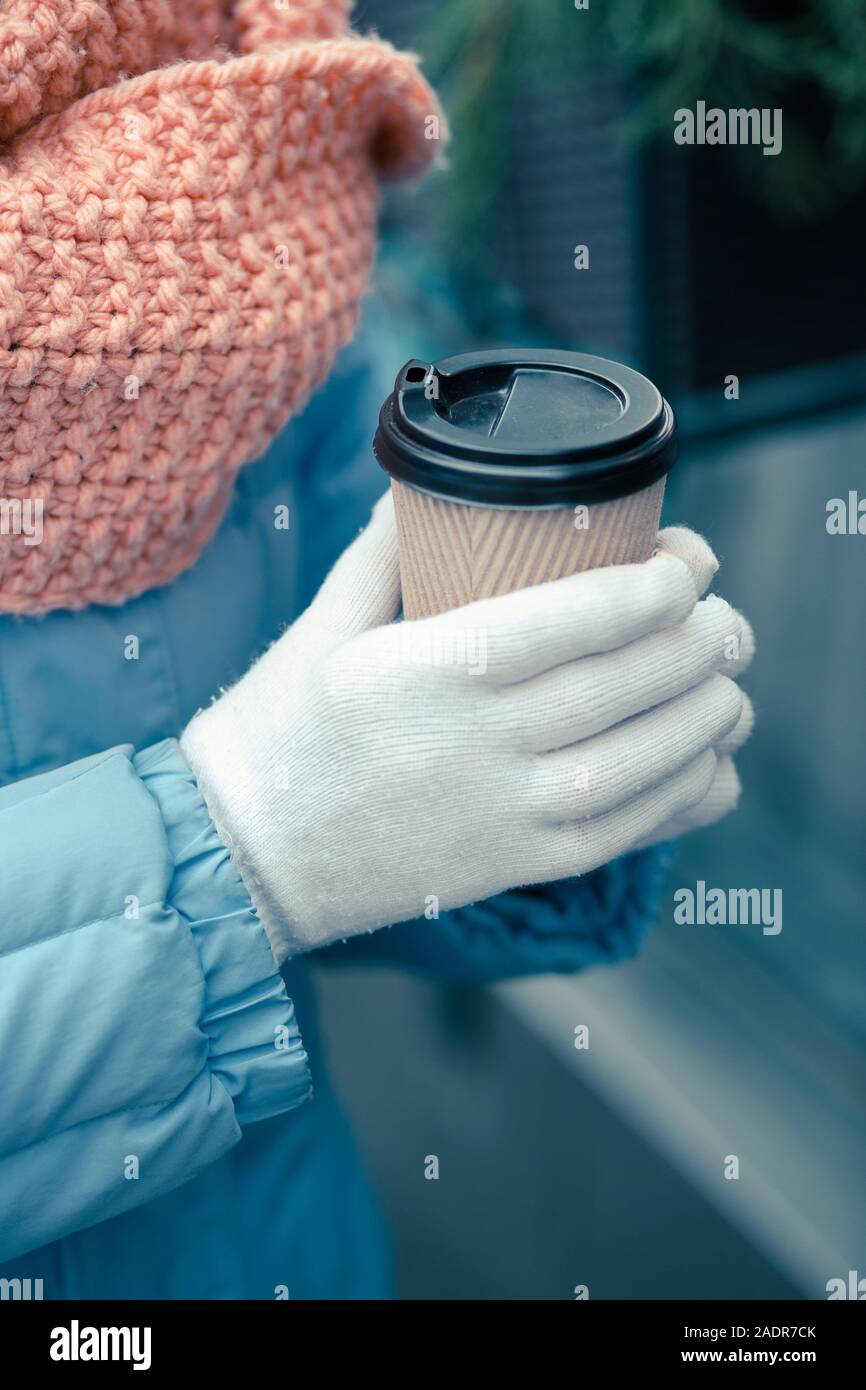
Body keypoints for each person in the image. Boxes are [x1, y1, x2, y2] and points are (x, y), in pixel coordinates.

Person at [0, 1, 753, 1299]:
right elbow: (278, 833)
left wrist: (549, 754)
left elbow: (371, 709)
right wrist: (240, 841)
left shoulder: (239, 135)